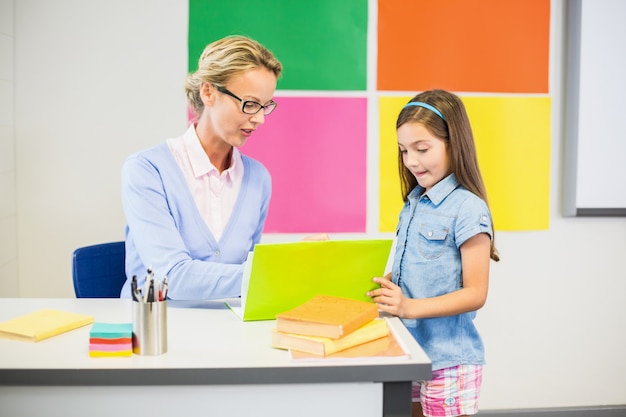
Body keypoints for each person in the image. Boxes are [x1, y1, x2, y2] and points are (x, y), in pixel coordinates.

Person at [367, 89, 500, 417]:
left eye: (422, 149)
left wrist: (409, 306)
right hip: (409, 351)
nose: (411, 161)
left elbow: (476, 293)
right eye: (403, 151)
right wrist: (390, 285)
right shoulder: (412, 203)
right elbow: (419, 268)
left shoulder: (468, 208)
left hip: (449, 361)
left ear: (453, 143)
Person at [119, 35, 282, 300]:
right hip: (158, 331)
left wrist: (299, 264)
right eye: (250, 104)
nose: (260, 118)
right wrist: (275, 269)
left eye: (265, 106)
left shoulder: (258, 178)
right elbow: (171, 276)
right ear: (208, 92)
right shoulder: (147, 170)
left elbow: (248, 282)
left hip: (230, 332)